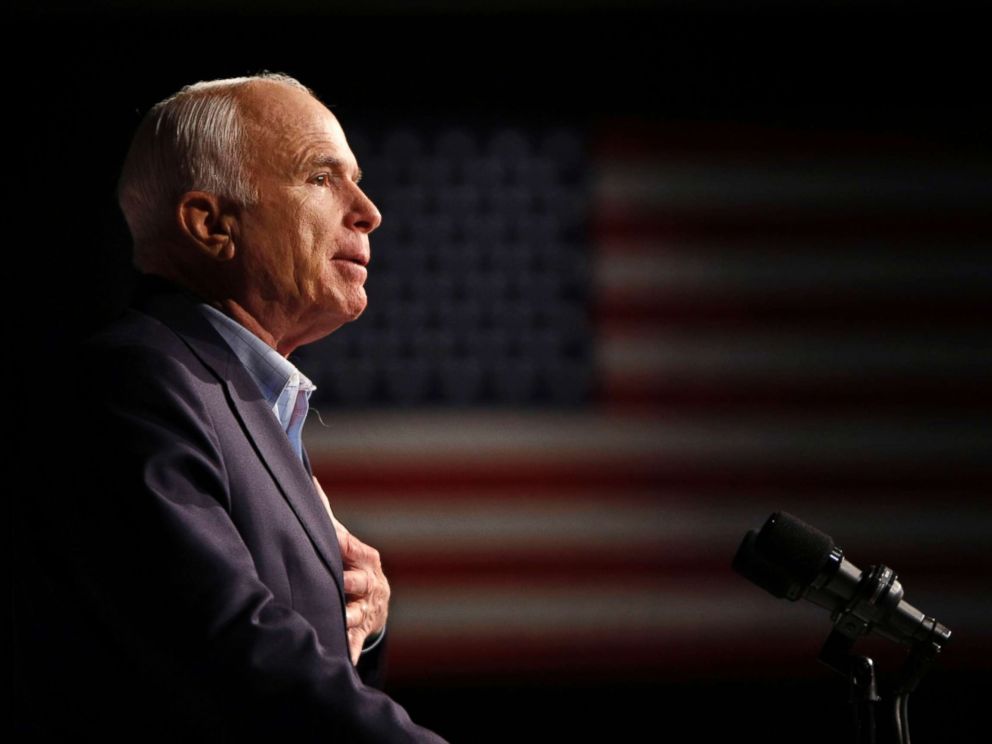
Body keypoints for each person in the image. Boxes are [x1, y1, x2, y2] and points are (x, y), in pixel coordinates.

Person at [14, 73, 445, 742]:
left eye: (355, 180)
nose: (367, 210)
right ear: (212, 223)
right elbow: (236, 657)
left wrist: (362, 616)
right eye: (321, 179)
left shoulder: (245, 395)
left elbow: (298, 660)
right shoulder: (137, 381)